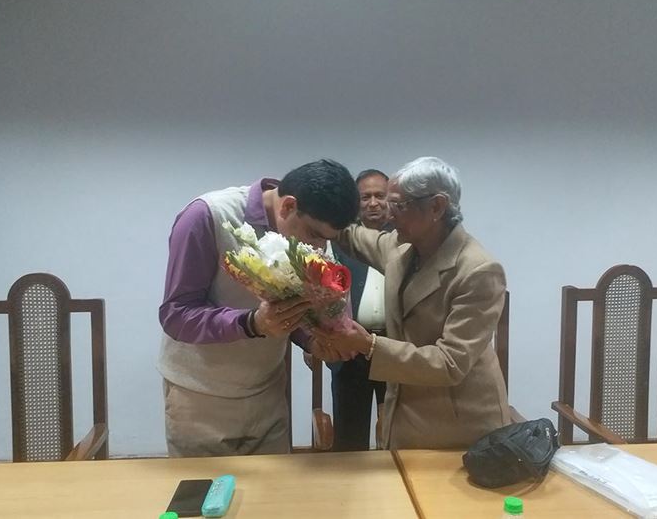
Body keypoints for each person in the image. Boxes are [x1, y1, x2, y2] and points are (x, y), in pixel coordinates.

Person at [158, 159, 360, 457]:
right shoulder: (208, 216)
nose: (319, 248)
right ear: (288, 206)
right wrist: (251, 323)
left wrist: (316, 340)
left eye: (326, 241)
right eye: (315, 236)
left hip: (268, 395)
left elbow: (295, 313)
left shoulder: (313, 232)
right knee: (204, 500)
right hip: (201, 399)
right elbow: (175, 315)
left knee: (275, 499)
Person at [312, 157, 510, 449]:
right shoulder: (402, 247)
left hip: (459, 428)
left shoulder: (477, 270)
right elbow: (351, 236)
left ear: (436, 207)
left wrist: (368, 345)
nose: (389, 215)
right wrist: (311, 207)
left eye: (399, 206)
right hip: (407, 417)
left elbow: (450, 362)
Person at [328, 169, 389, 451]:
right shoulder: (341, 242)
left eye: (380, 195)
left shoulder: (410, 240)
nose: (373, 203)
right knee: (349, 438)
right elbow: (325, 294)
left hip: (395, 347)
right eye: (366, 197)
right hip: (351, 350)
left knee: (397, 434)